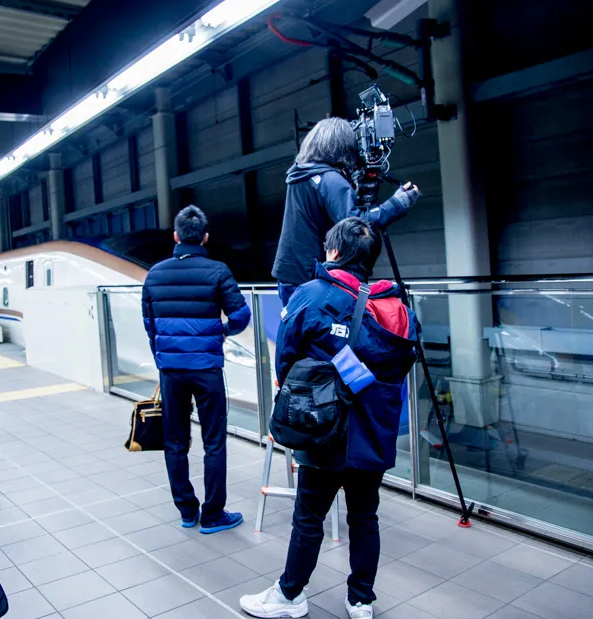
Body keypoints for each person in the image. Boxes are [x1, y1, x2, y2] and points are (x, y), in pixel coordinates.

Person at [240, 218, 418, 619]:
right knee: (364, 516)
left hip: (324, 427)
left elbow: (285, 359)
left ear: (334, 252)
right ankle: (360, 600)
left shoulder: (312, 294)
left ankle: (290, 595)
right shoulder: (396, 307)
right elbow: (401, 364)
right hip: (374, 430)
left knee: (309, 516)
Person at [142, 205, 252, 534]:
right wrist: (221, 332)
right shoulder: (218, 271)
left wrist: (163, 357)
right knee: (214, 442)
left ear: (176, 236)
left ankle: (187, 511)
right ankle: (214, 514)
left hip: (171, 371)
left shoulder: (155, 274)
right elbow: (241, 316)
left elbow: (150, 325)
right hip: (207, 369)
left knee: (175, 442)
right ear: (205, 237)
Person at [271, 117, 421, 306]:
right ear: (341, 146)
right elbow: (357, 226)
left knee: (298, 331)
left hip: (290, 274)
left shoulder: (301, 175)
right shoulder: (329, 179)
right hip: (312, 278)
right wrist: (397, 204)